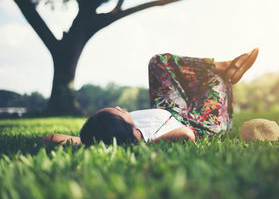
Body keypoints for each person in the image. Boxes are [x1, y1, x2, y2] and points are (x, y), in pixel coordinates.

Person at [42, 49, 259, 146]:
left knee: (158, 61)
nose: (119, 106)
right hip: (201, 125)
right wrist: (143, 144)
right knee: (217, 83)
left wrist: (86, 141)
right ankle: (226, 74)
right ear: (127, 129)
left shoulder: (110, 133)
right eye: (118, 111)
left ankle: (223, 66)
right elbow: (186, 134)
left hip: (171, 109)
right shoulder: (145, 140)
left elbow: (49, 138)